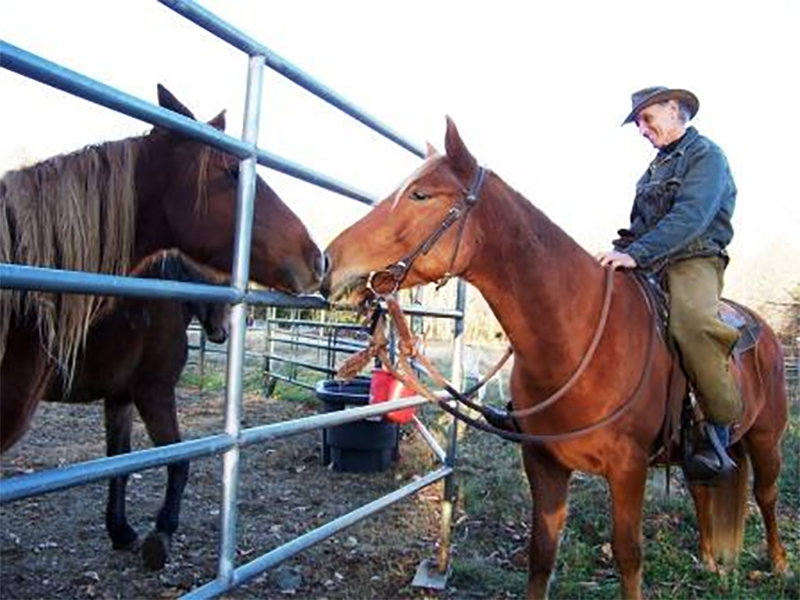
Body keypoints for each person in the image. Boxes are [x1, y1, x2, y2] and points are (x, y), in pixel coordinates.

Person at [596, 86, 741, 484]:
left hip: (694, 257)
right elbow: (637, 228)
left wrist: (637, 254)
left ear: (675, 109)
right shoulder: (653, 171)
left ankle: (717, 432)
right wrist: (611, 256)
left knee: (691, 324)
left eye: (647, 118)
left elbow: (691, 217)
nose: (642, 129)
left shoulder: (706, 156)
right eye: (638, 122)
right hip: (650, 259)